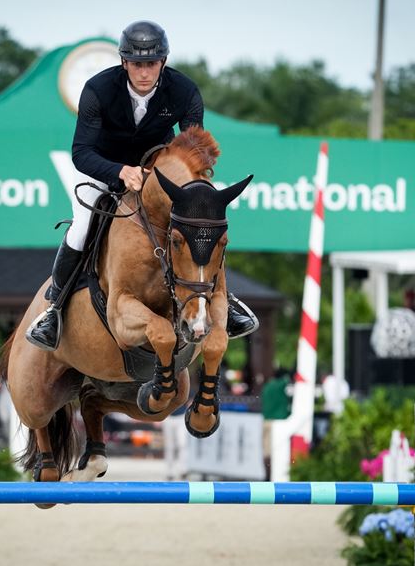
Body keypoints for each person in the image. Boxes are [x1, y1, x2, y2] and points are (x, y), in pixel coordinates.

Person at [26, 20, 258, 351]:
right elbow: (81, 152)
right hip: (102, 167)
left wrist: (188, 182)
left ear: (163, 62)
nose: (144, 73)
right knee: (81, 227)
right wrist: (120, 171)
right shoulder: (98, 89)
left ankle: (225, 301)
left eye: (151, 64)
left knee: (198, 225)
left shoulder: (184, 90)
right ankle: (55, 309)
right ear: (124, 63)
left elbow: (193, 145)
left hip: (156, 171)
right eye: (136, 64)